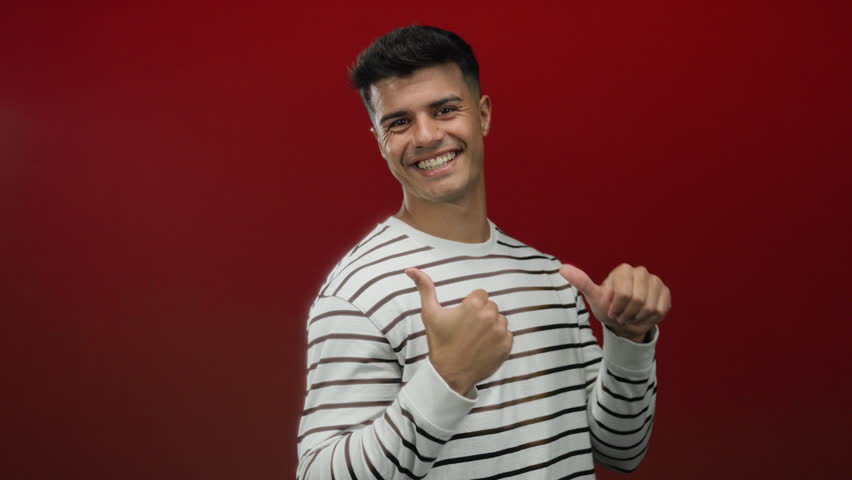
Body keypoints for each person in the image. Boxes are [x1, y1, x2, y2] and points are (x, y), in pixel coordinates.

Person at [297, 25, 672, 479]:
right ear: (379, 138)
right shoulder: (359, 291)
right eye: (398, 122)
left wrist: (628, 343)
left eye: (445, 109)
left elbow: (619, 448)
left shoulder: (551, 278)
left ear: (484, 115)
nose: (426, 136)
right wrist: (447, 380)